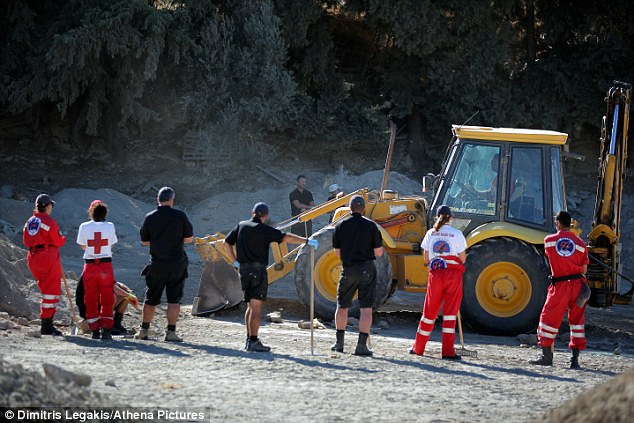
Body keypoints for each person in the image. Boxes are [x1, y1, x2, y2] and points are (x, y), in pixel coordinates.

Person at [223, 202, 317, 352]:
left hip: (244, 271)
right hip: (258, 271)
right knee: (256, 308)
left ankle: (249, 339)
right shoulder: (265, 230)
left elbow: (226, 243)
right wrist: (306, 241)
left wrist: (235, 262)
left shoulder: (240, 226)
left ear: (252, 212)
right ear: (265, 216)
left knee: (249, 306)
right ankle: (253, 341)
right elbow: (286, 238)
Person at [529, 211, 589, 369]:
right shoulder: (581, 245)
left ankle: (546, 357)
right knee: (577, 322)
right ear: (570, 224)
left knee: (548, 319)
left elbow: (550, 258)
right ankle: (574, 361)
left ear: (558, 223)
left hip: (560, 286)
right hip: (578, 286)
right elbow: (584, 268)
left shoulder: (549, 241)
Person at [135, 187, 193, 342]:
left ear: (157, 200)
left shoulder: (150, 217)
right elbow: (189, 239)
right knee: (174, 300)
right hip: (177, 264)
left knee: (151, 298)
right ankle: (171, 333)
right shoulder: (180, 216)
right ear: (172, 200)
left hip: (157, 264)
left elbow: (144, 241)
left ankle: (144, 330)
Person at [410, 205, 467, 359]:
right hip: (453, 275)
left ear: (437, 217)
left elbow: (426, 259)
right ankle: (448, 352)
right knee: (449, 314)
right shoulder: (457, 234)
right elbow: (463, 259)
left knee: (429, 313)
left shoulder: (430, 233)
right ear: (451, 218)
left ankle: (418, 348)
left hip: (436, 274)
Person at [330, 195, 383, 356]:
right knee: (366, 309)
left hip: (348, 269)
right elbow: (379, 253)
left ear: (350, 208)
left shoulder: (340, 225)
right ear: (364, 208)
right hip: (367, 269)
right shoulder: (371, 226)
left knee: (342, 306)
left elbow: (336, 252)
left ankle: (339, 344)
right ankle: (361, 346)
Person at [22, 194, 66, 336]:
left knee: (45, 288)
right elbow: (58, 241)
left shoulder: (30, 221)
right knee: (51, 291)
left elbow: (26, 240)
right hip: (47, 256)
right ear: (47, 206)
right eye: (51, 205)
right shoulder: (49, 221)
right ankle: (46, 324)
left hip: (32, 256)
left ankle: (46, 322)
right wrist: (63, 238)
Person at [76, 200, 118, 340]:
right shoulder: (110, 226)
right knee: (107, 298)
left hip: (90, 265)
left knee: (90, 298)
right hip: (105, 266)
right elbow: (111, 244)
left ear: (91, 212)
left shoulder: (84, 226)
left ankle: (94, 330)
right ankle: (106, 330)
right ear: (105, 213)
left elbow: (83, 246)